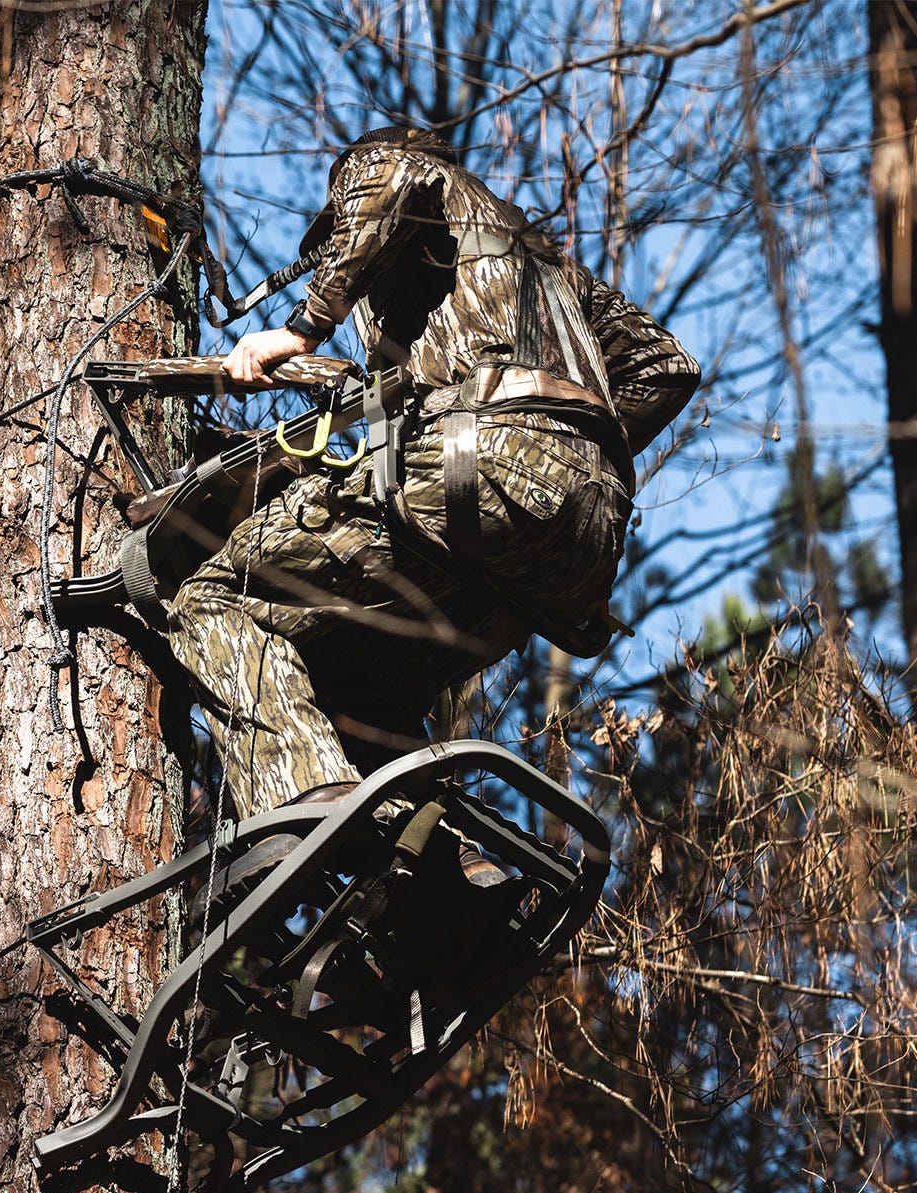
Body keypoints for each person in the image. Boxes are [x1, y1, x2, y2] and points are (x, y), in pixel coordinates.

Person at [168, 126, 700, 822]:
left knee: (219, 596)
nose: (342, 249)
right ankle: (441, 862)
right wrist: (563, 454)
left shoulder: (411, 177)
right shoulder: (544, 272)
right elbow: (668, 369)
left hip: (480, 477)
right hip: (577, 546)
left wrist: (300, 329)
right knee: (352, 689)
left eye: (340, 230)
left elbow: (396, 179)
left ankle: (302, 804)